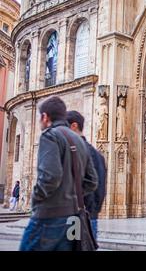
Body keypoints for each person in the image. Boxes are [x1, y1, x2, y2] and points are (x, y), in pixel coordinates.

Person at [19, 97, 98, 251]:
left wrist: (36, 199)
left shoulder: (50, 136)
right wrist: (73, 195)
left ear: (45, 116)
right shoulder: (80, 141)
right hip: (74, 217)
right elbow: (92, 181)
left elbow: (50, 176)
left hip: (49, 216)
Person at [67, 110, 107, 241]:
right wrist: (94, 209)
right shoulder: (98, 156)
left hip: (75, 217)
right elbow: (100, 190)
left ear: (74, 126)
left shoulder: (75, 153)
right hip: (91, 216)